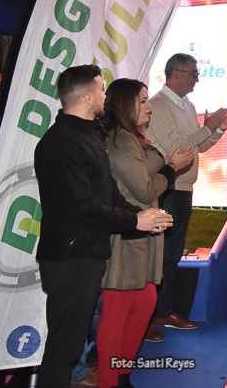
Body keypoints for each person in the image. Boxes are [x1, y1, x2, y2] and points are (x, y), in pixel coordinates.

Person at [34, 65, 172, 388]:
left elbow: (109, 195)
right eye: (100, 89)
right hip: (69, 259)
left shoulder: (90, 135)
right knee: (64, 349)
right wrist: (135, 220)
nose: (104, 96)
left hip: (87, 255)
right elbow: (83, 207)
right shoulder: (61, 143)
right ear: (86, 97)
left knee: (70, 347)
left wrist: (143, 220)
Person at [97, 79, 193, 387]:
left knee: (143, 305)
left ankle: (122, 374)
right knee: (118, 312)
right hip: (126, 237)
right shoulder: (121, 140)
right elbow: (145, 189)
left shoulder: (136, 137)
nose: (149, 106)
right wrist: (171, 167)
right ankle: (110, 380)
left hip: (146, 234)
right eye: (142, 100)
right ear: (125, 104)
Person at [147, 54, 227, 331]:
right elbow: (176, 146)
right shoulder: (158, 105)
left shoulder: (187, 105)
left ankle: (164, 310)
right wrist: (209, 127)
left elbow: (198, 147)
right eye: (193, 74)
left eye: (197, 74)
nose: (197, 79)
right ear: (174, 74)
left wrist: (219, 129)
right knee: (164, 254)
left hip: (183, 188)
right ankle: (158, 312)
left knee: (173, 253)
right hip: (167, 188)